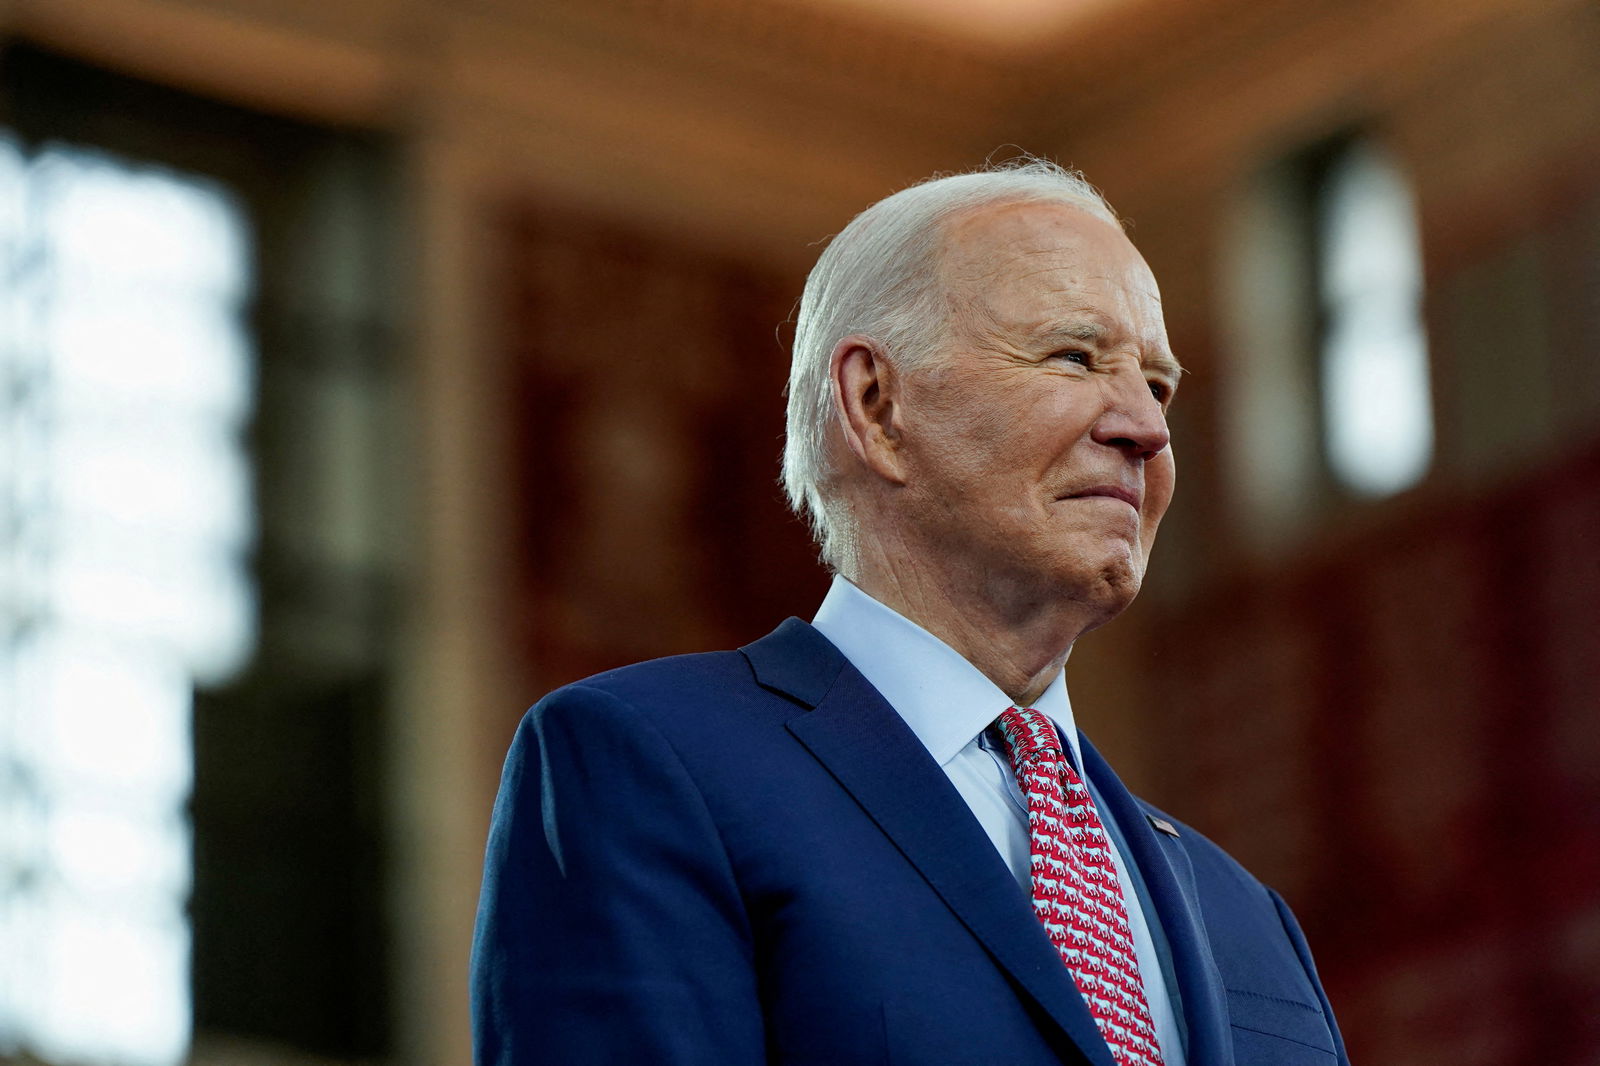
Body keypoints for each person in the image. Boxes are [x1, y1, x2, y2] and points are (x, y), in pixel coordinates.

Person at [470, 159, 1350, 1066]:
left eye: (1159, 385)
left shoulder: (1248, 916)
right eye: (1074, 357)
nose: (1148, 428)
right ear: (877, 406)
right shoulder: (653, 766)